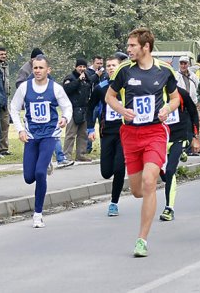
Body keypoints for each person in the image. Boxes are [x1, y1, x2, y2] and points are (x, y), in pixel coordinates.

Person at [105, 27, 180, 258]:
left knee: (149, 182)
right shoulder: (124, 71)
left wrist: (167, 108)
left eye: (132, 46)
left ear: (145, 47)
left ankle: (142, 240)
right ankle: (154, 172)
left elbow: (176, 98)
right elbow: (110, 96)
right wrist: (121, 110)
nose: (128, 50)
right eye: (128, 46)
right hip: (130, 135)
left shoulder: (164, 70)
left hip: (155, 133)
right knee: (137, 190)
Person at [9, 55, 72, 228]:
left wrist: (65, 118)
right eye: (35, 68)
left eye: (41, 68)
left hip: (50, 134)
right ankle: (46, 165)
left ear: (48, 70)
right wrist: (20, 129)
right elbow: (13, 108)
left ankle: (38, 214)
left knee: (39, 173)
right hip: (31, 134)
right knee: (29, 177)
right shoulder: (24, 87)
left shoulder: (56, 88)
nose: (37, 71)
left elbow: (67, 106)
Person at [87, 54, 125, 216]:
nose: (110, 68)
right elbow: (90, 107)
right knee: (106, 172)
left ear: (120, 67)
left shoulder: (128, 86)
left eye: (113, 65)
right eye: (108, 66)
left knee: (119, 167)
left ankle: (114, 203)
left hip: (125, 133)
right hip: (107, 133)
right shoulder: (101, 87)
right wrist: (90, 129)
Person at [159, 85, 200, 221]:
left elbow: (193, 112)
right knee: (164, 174)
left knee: (170, 171)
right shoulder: (152, 91)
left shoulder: (180, 93)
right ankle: (181, 155)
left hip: (179, 137)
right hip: (160, 139)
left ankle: (169, 208)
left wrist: (195, 136)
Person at [62, 58, 94, 162]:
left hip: (84, 108)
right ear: (76, 67)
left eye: (84, 67)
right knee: (71, 134)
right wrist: (78, 80)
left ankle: (81, 154)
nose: (82, 69)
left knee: (83, 134)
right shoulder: (70, 77)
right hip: (72, 109)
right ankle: (66, 155)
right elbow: (67, 89)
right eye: (80, 66)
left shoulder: (87, 77)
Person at [0, 46, 12, 156]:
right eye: (1, 54)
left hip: (6, 99)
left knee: (5, 124)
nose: (3, 56)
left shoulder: (6, 66)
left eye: (4, 54)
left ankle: (4, 148)